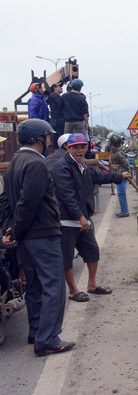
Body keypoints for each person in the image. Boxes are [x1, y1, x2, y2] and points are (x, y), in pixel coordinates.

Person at [0, 119, 75, 356]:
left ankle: (36, 333)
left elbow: (8, 202)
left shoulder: (14, 163)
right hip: (42, 234)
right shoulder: (35, 164)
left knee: (34, 286)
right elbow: (29, 203)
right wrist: (17, 230)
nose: (50, 142)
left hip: (26, 238)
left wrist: (11, 229)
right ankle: (48, 339)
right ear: (39, 138)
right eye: (48, 137)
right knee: (53, 286)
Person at [51, 133, 130, 302]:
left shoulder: (83, 166)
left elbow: (99, 177)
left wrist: (119, 176)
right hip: (67, 220)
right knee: (67, 256)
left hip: (82, 219)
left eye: (82, 147)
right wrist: (80, 217)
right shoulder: (62, 167)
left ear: (87, 148)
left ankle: (92, 285)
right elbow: (67, 195)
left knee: (92, 251)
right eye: (75, 147)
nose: (79, 150)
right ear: (68, 148)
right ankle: (72, 290)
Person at [109, 133, 130, 217]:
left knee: (121, 193)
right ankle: (124, 210)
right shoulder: (114, 151)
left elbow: (125, 164)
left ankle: (125, 211)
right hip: (118, 174)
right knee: (120, 193)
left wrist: (128, 173)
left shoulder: (118, 153)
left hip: (121, 175)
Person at [48, 84, 65, 148]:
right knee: (61, 136)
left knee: (56, 136)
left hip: (54, 118)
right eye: (60, 87)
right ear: (55, 88)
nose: (61, 88)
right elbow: (61, 104)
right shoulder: (55, 96)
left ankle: (56, 150)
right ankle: (60, 150)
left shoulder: (51, 96)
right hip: (58, 118)